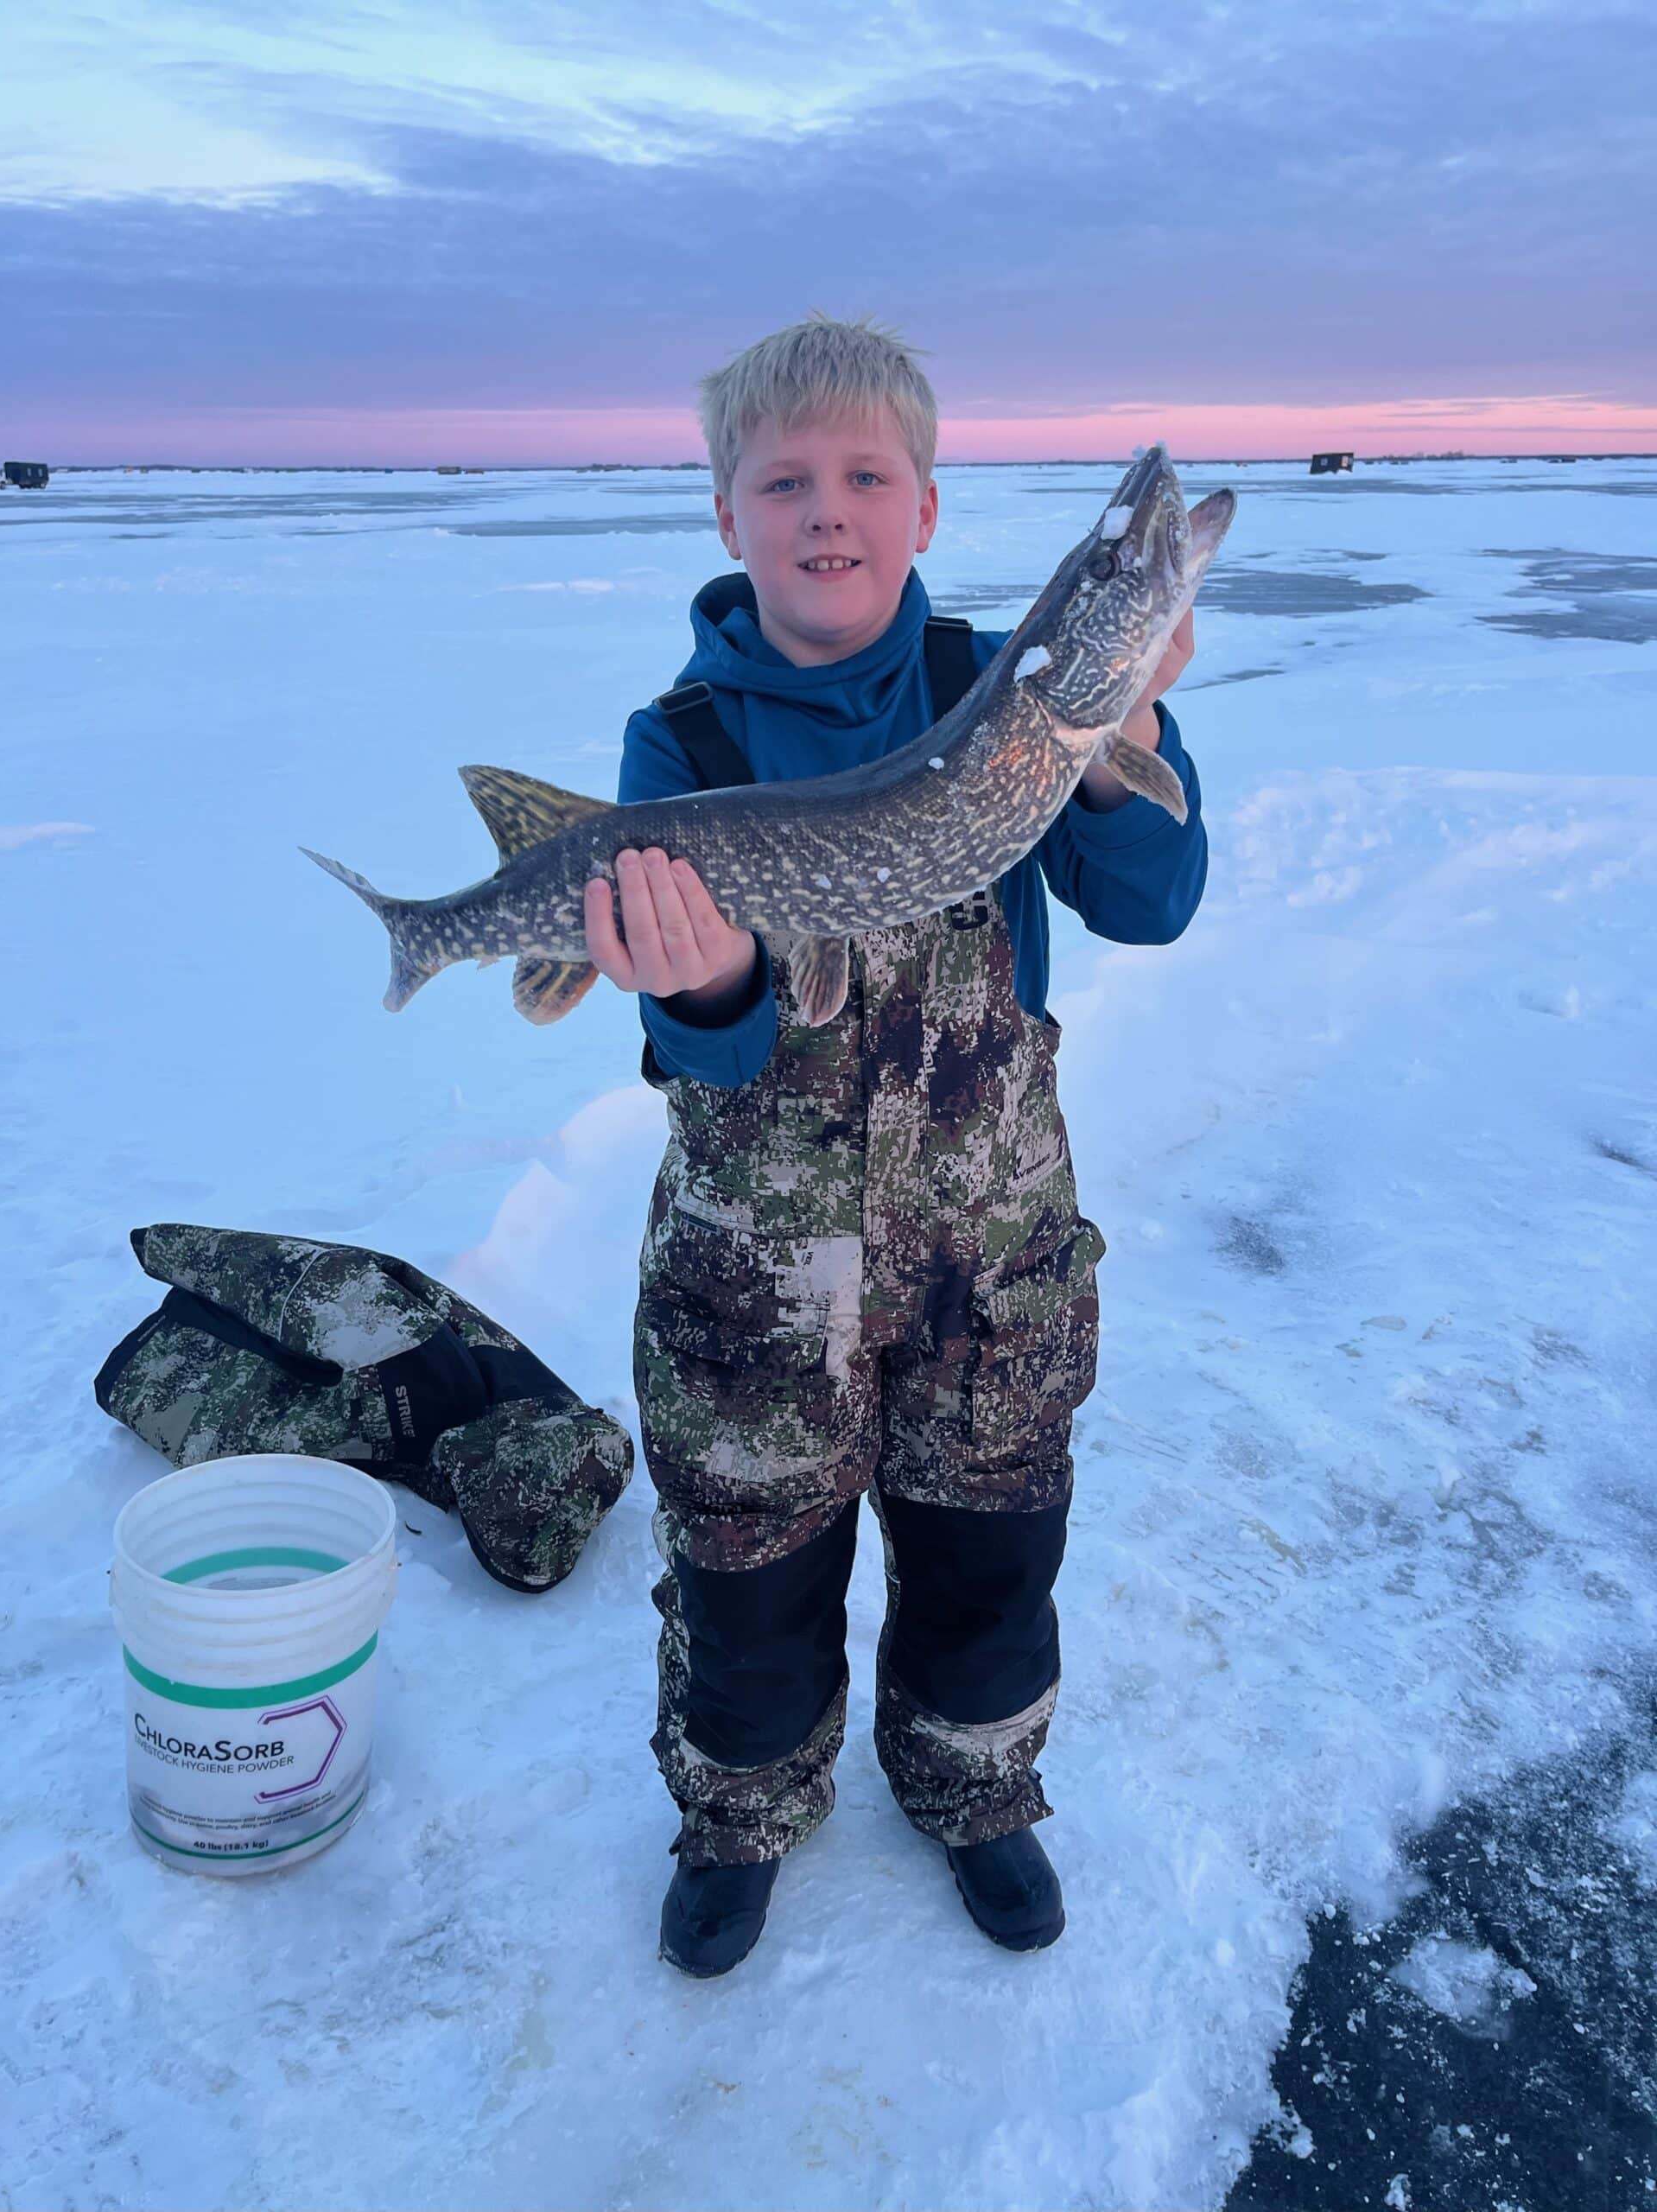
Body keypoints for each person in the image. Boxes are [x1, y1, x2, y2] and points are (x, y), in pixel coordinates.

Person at [583, 313, 1206, 1978]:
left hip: (990, 1258)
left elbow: (1151, 904)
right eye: (786, 481)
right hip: (758, 1270)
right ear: (728, 513)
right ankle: (740, 1813)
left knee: (991, 1551)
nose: (828, 511)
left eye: (867, 477)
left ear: (925, 507)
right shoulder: (685, 748)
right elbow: (699, 1049)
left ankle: (974, 1786)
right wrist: (703, 973)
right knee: (750, 1575)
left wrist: (1129, 732)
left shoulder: (997, 693)